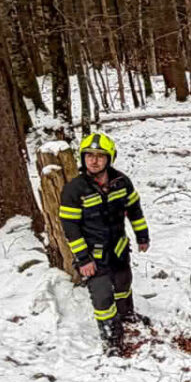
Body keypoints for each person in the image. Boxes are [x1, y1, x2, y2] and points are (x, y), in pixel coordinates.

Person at [58, 132, 149, 355]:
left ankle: (127, 315)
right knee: (102, 298)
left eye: (100, 156)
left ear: (109, 158)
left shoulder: (122, 182)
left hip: (119, 248)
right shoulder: (74, 189)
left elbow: (134, 210)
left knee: (123, 284)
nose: (94, 160)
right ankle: (112, 339)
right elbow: (70, 228)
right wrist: (83, 259)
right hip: (93, 255)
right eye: (89, 155)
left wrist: (142, 236)